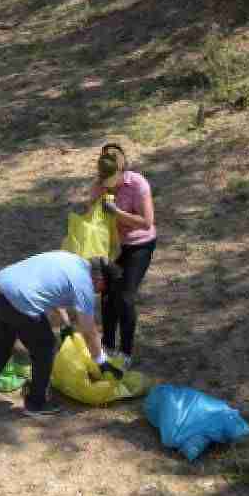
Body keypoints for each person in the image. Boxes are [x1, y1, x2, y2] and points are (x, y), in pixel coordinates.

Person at [0, 249, 120, 417]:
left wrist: (65, 322)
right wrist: (101, 361)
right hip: (19, 300)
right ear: (100, 278)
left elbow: (50, 289)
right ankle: (36, 403)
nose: (99, 293)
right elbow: (89, 330)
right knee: (45, 348)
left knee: (1, 347)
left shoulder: (72, 261)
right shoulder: (84, 283)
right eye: (104, 288)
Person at [85, 143, 156, 365]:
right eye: (101, 178)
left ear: (120, 171)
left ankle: (126, 352)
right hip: (112, 248)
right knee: (108, 296)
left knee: (125, 298)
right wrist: (96, 201)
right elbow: (91, 216)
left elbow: (146, 222)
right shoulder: (100, 185)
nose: (107, 184)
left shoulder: (138, 185)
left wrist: (116, 212)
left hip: (139, 246)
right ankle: (107, 345)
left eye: (110, 180)